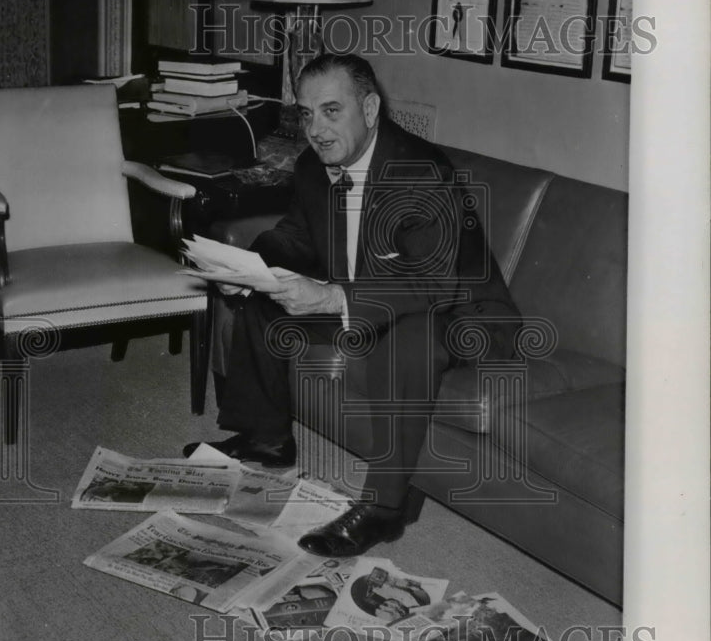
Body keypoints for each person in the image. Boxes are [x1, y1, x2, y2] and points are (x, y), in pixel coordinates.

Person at [185, 53, 520, 556]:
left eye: (331, 111)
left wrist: (331, 296)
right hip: (374, 300)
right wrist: (248, 270)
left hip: (464, 314)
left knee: (414, 334)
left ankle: (385, 510)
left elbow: (436, 283)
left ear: (369, 106)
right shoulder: (314, 167)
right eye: (306, 113)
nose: (315, 129)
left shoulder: (420, 172)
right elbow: (296, 238)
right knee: (268, 292)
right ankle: (266, 439)